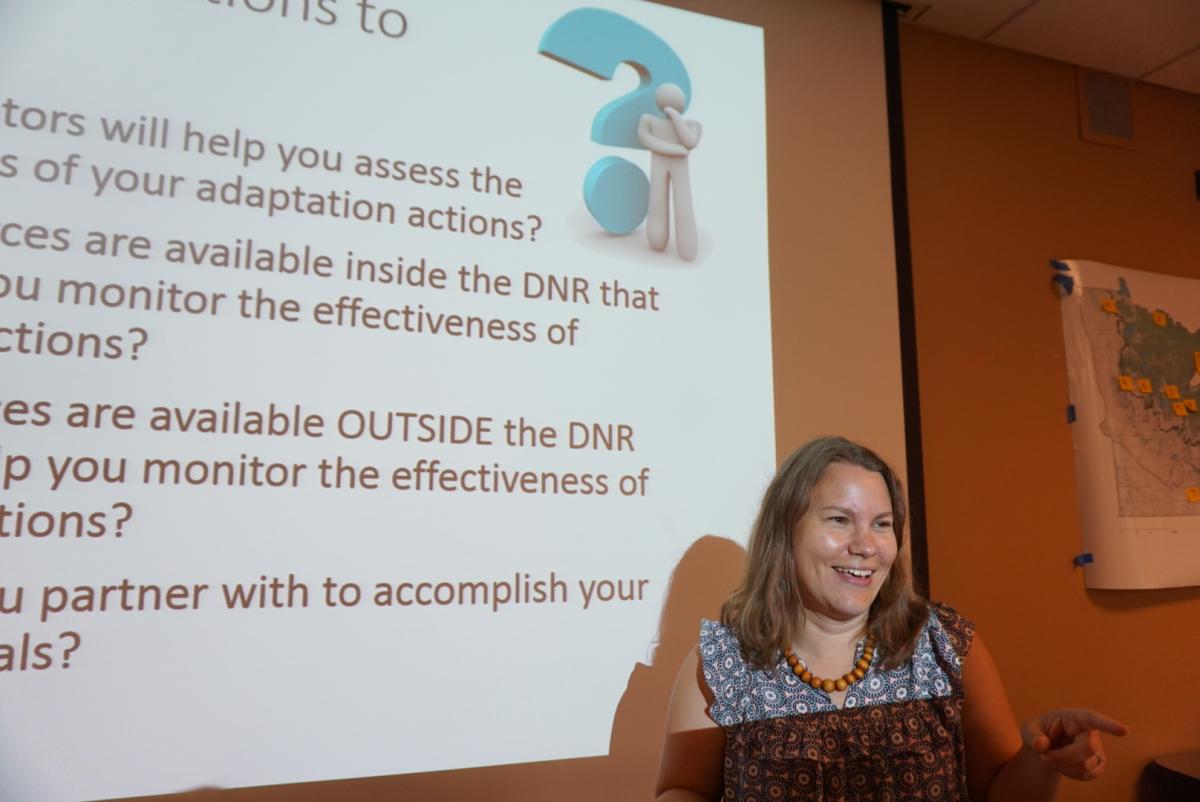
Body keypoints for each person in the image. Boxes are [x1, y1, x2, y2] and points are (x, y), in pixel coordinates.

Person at [655, 436, 1126, 801]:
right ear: (785, 533)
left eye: (882, 524)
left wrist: (1045, 759)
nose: (866, 545)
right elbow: (684, 790)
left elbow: (1000, 793)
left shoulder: (944, 645)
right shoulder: (721, 662)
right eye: (840, 520)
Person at [637, 82, 701, 262]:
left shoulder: (692, 124)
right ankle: (658, 241)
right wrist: (675, 151)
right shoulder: (649, 120)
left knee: (683, 204)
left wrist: (674, 116)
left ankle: (687, 248)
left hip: (679, 170)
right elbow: (646, 139)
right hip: (660, 166)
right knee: (657, 202)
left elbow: (689, 142)